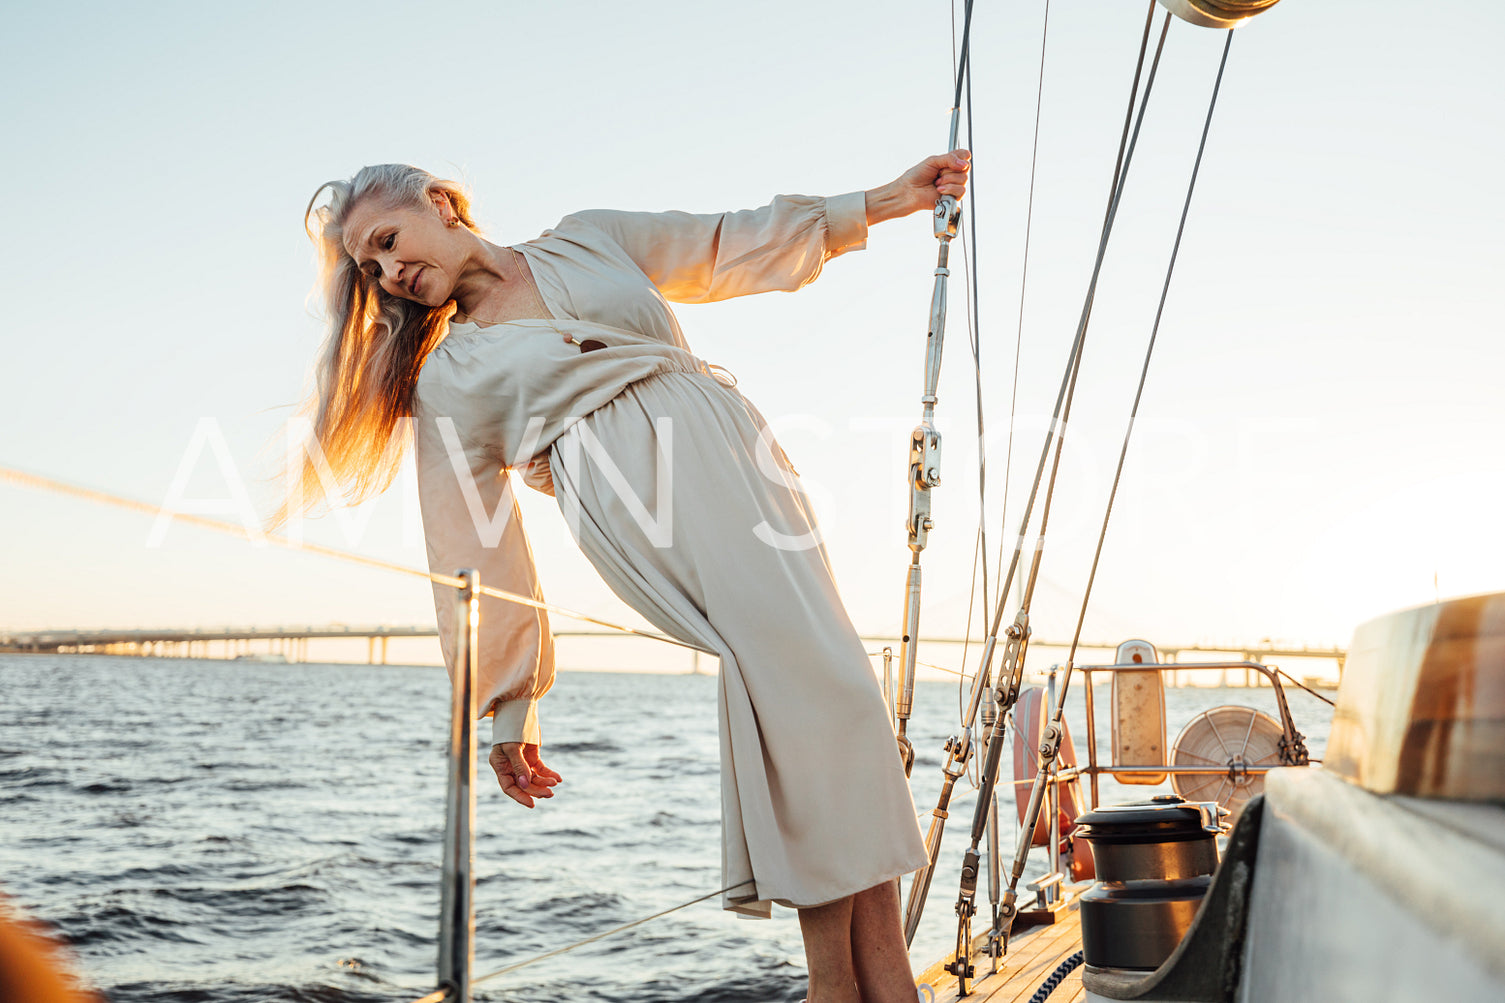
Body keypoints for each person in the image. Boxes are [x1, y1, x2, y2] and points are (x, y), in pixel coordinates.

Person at [274, 149, 970, 1003]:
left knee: (838, 696)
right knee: (799, 694)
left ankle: (883, 982)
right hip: (642, 500)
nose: (387, 270)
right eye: (369, 268)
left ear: (439, 202)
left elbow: (721, 244)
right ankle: (838, 985)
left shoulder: (585, 239)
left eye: (387, 240)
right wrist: (509, 706)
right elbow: (471, 544)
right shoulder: (449, 378)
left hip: (741, 461)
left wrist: (886, 200)